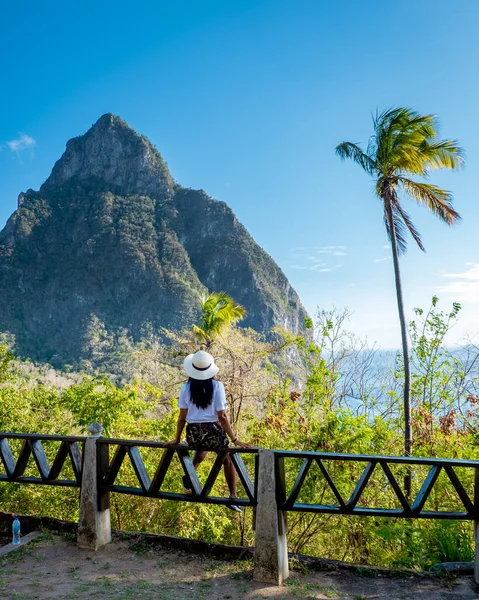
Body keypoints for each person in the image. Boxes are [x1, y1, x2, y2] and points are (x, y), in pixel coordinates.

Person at [165, 350, 249, 511]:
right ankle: (233, 497)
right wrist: (234, 439)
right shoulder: (217, 386)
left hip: (193, 434)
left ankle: (190, 478)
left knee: (201, 450)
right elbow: (222, 416)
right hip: (213, 431)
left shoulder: (186, 388)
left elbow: (182, 418)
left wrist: (176, 438)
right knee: (227, 459)